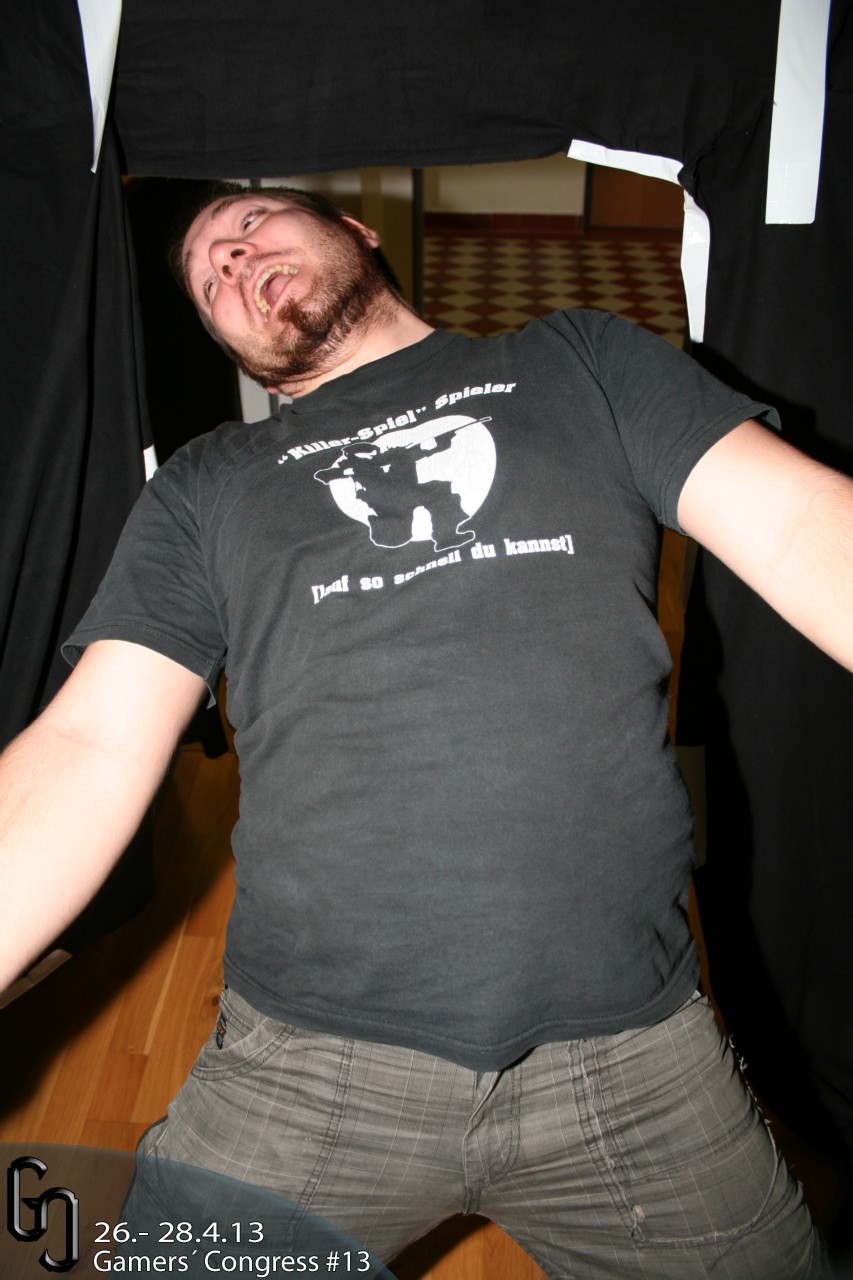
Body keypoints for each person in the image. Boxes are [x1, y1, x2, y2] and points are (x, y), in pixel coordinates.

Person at [2, 182, 847, 1279]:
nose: (229, 261)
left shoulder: (580, 360)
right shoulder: (205, 487)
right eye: (207, 280)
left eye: (248, 224)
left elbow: (795, 527)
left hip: (634, 1063)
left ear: (356, 229)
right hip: (304, 1072)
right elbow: (91, 745)